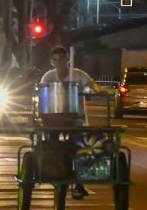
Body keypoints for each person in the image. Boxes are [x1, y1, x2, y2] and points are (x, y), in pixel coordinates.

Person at [37, 45, 106, 200]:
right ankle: (52, 171)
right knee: (51, 145)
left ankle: (79, 184)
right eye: (55, 60)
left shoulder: (78, 74)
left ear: (67, 59)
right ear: (52, 62)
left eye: (61, 59)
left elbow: (91, 84)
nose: (59, 63)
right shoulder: (49, 76)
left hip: (76, 120)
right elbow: (42, 89)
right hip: (54, 120)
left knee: (80, 148)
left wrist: (98, 90)